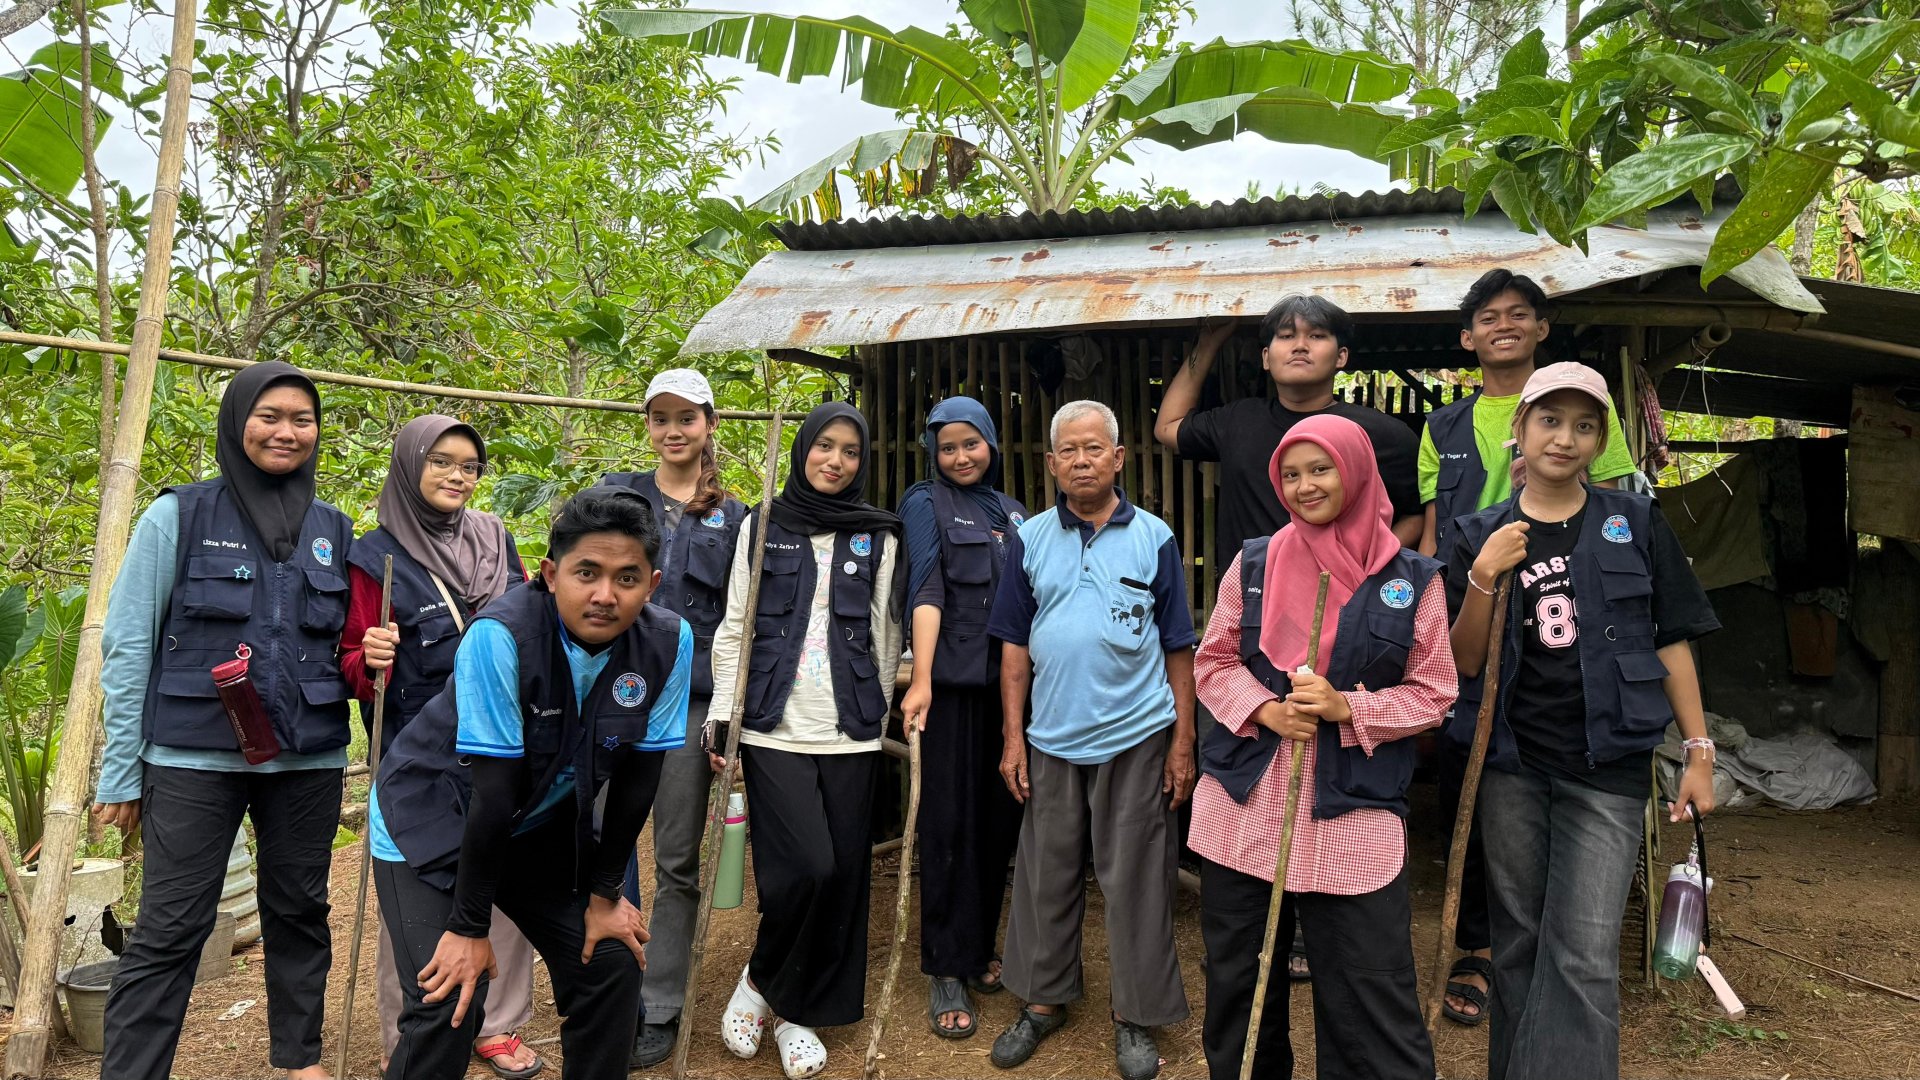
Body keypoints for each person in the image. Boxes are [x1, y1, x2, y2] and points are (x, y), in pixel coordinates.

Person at [1445, 363, 1720, 1080]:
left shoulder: (1634, 522)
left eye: (1584, 425)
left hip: (1608, 766)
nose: (1564, 438)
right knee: (1517, 943)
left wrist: (1699, 751)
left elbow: (1671, 638)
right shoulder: (1479, 532)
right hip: (1513, 766)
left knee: (1586, 952)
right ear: (1520, 428)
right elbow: (1463, 661)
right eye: (1550, 420)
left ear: (1600, 441)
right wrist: (1483, 574)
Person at [367, 485, 692, 1080]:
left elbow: (639, 778)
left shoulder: (668, 642)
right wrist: (469, 927)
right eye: (586, 573)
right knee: (449, 996)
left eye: (626, 578)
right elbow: (492, 793)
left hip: (537, 821)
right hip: (430, 815)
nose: (604, 595)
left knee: (611, 963)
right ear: (549, 573)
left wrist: (605, 895)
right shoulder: (501, 635)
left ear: (652, 584)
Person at [94, 362, 354, 1080]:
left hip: (307, 758)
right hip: (191, 758)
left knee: (299, 911)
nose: (286, 431)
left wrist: (375, 649)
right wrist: (120, 771)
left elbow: (350, 644)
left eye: (302, 419)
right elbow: (128, 644)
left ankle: (299, 1060)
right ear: (238, 421)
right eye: (269, 415)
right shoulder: (178, 515)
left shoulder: (334, 528)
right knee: (172, 927)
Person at [1155, 294, 1423, 981]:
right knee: (1251, 773)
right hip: (1252, 632)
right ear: (1266, 355)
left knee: (1334, 778)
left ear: (1343, 355)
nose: (1299, 344)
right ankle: (1260, 924)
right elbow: (1169, 428)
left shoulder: (1383, 435)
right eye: (1284, 335)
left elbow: (1412, 517)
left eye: (1317, 334)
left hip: (1348, 640)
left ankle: (1315, 921)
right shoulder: (1241, 421)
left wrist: (1373, 581)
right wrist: (1210, 340)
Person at [1190, 415, 1456, 1080]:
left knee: (1370, 996)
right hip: (1245, 810)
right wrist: (1268, 711)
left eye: (1320, 469)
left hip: (1353, 818)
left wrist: (1348, 708)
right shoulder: (1254, 564)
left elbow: (1434, 692)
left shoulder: (1413, 579)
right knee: (1240, 989)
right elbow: (1213, 662)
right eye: (1290, 474)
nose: (1305, 486)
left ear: (1356, 471)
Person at [1417, 269, 1640, 1025]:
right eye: (1489, 316)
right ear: (1467, 337)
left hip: (1564, 625)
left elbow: (1621, 514)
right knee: (1475, 777)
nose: (1504, 324)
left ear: (1544, 328)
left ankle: (1566, 947)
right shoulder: (1444, 427)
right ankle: (1482, 947)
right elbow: (1431, 535)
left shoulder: (1582, 409)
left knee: (1570, 786)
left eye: (1520, 314)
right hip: (1476, 613)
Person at [985, 400, 1196, 1080]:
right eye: (1068, 451)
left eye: (1093, 448)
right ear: (1052, 464)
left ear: (1118, 458)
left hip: (1136, 732)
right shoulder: (1030, 538)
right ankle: (1043, 1001)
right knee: (1045, 871)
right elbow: (1014, 648)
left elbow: (1178, 645)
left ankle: (1135, 1014)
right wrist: (1013, 738)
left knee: (1136, 876)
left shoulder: (1155, 538)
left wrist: (1183, 740)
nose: (1082, 461)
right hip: (1051, 733)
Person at [338, 414, 541, 1079]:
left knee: (502, 882)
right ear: (409, 464)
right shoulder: (376, 555)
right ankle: (411, 1033)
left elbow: (528, 617)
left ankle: (498, 1025)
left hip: (500, 741)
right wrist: (369, 657)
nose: (458, 476)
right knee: (416, 899)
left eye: (469, 466)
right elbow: (350, 664)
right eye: (441, 461)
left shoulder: (494, 537)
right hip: (417, 756)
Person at [708, 401, 904, 1080]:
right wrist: (725, 716)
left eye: (851, 451)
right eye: (825, 446)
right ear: (802, 450)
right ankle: (762, 980)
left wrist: (874, 717)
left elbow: (884, 635)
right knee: (805, 869)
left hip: (850, 729)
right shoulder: (764, 524)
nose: (836, 461)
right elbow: (736, 624)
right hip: (774, 726)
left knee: (843, 879)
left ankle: (795, 1013)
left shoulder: (878, 534)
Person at [600, 368, 748, 1069]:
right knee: (602, 847)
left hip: (690, 703)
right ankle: (610, 991)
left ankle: (660, 1004)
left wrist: (728, 715)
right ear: (648, 425)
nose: (673, 430)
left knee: (678, 858)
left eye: (687, 417)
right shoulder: (616, 496)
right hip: (613, 692)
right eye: (661, 417)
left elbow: (743, 619)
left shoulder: (735, 516)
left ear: (710, 424)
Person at [896, 396, 1028, 1038]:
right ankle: (946, 965)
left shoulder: (1014, 513)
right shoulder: (925, 502)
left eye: (970, 444)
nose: (960, 457)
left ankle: (977, 950)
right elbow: (925, 585)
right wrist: (922, 678)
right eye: (946, 447)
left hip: (1010, 693)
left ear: (991, 444)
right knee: (947, 824)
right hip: (949, 691)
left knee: (998, 824)